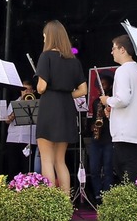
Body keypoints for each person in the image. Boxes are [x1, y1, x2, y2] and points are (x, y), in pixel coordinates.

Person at [35, 20, 87, 195]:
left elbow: (41, 87)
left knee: (47, 160)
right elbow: (83, 90)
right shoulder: (73, 61)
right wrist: (65, 95)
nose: (43, 39)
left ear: (49, 37)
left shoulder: (46, 56)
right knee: (60, 161)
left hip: (49, 108)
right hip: (66, 110)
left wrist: (43, 88)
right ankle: (65, 203)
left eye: (44, 36)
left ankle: (51, 204)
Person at [100, 34, 137, 183]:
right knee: (130, 167)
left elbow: (123, 100)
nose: (111, 52)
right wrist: (113, 109)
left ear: (122, 49)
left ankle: (133, 202)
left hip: (125, 132)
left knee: (125, 170)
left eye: (113, 48)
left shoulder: (122, 71)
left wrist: (107, 100)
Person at [87, 74, 114, 203]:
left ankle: (107, 196)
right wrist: (93, 126)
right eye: (100, 84)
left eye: (104, 84)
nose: (101, 87)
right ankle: (97, 195)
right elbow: (92, 120)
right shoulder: (96, 102)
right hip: (96, 140)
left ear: (109, 85)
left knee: (108, 169)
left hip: (109, 139)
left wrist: (108, 113)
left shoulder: (113, 100)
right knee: (94, 169)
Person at [5, 80, 37, 179]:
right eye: (23, 90)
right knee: (13, 168)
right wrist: (19, 108)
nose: (26, 92)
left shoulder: (36, 104)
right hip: (13, 139)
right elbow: (7, 120)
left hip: (29, 139)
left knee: (27, 169)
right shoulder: (13, 103)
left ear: (33, 91)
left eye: (28, 90)